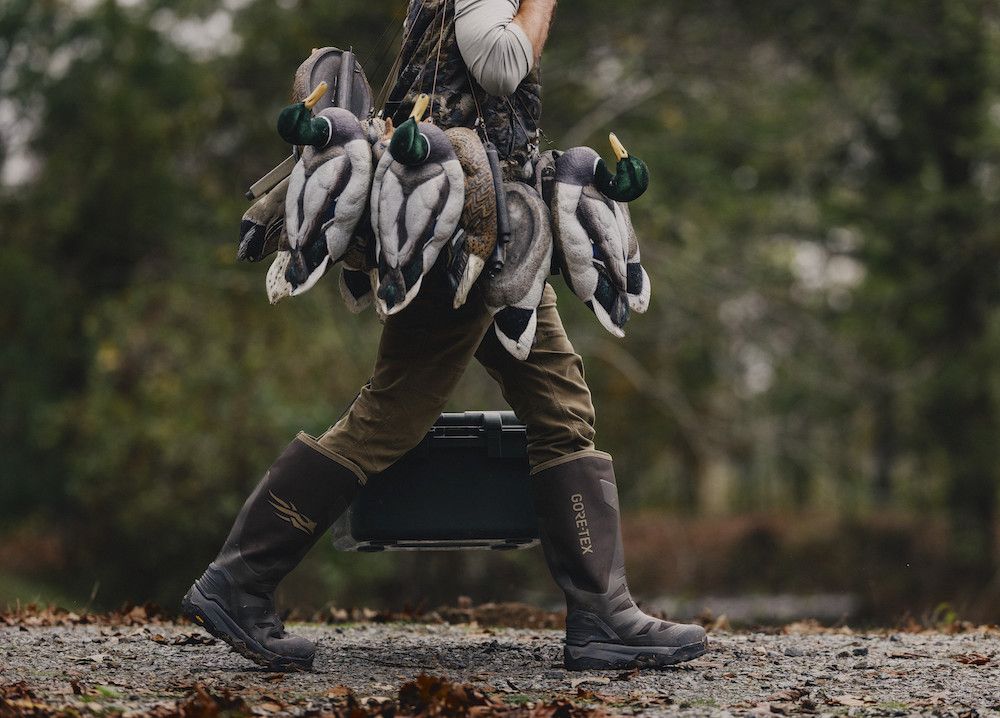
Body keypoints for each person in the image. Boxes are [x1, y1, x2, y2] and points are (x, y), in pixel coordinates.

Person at [183, 0, 708, 672]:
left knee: (561, 407)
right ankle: (238, 580)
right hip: (462, 225)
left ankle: (603, 615)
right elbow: (497, 63)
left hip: (500, 227)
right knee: (390, 416)